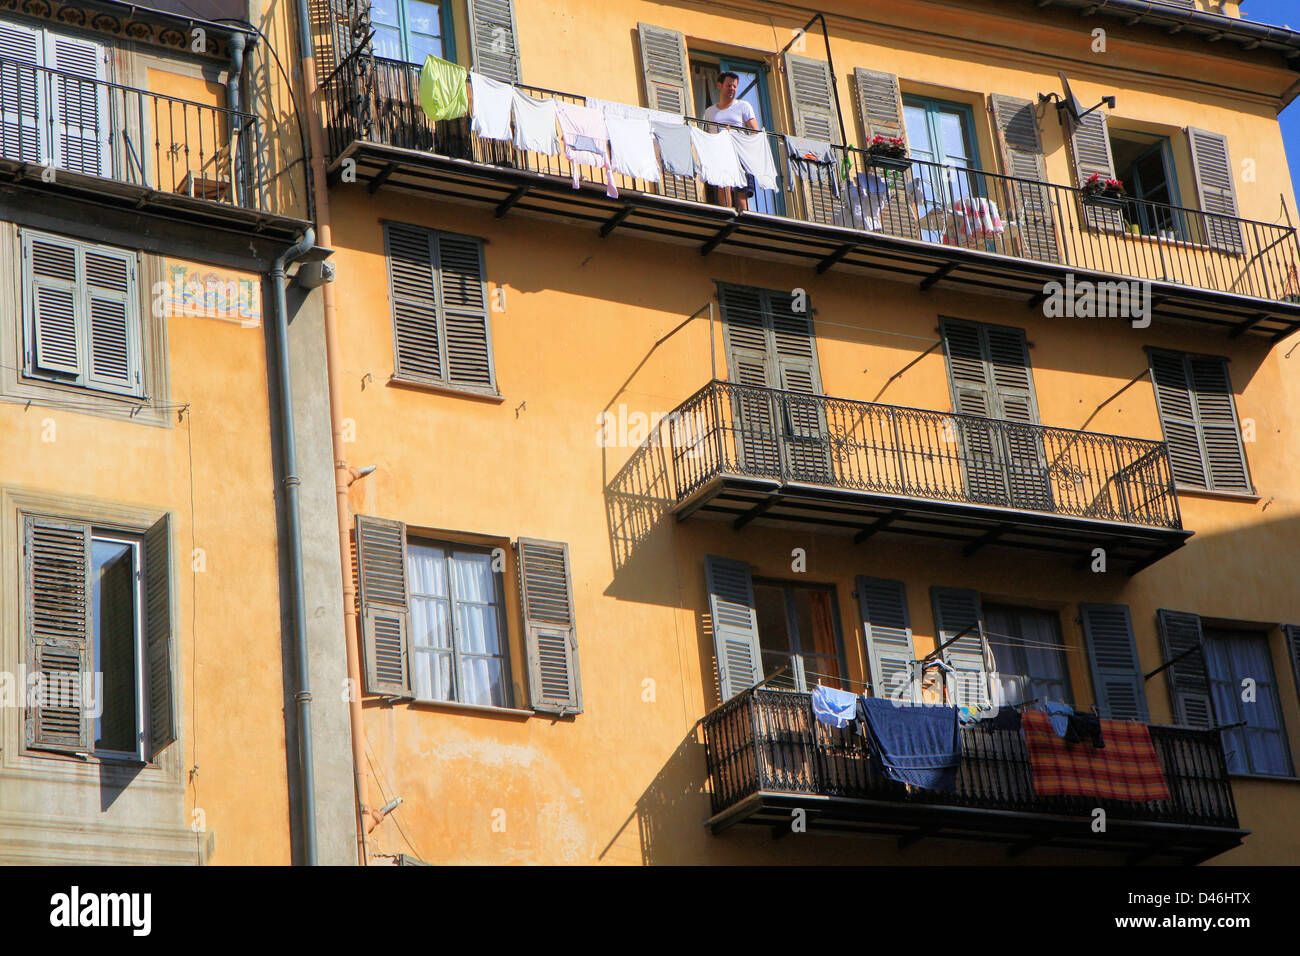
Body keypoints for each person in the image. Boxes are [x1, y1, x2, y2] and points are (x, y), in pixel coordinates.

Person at [704, 72, 761, 210]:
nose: (732, 89)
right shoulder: (710, 112)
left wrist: (750, 148)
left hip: (739, 151)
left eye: (734, 86)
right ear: (719, 86)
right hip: (721, 151)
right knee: (723, 184)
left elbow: (755, 130)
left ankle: (745, 218)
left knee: (742, 189)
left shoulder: (743, 106)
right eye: (729, 85)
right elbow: (709, 134)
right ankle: (727, 213)